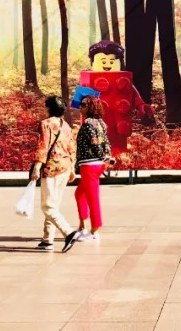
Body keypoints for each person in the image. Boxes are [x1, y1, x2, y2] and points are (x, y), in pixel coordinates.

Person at [30, 96, 78, 252]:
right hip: (65, 167)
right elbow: (72, 148)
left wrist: (37, 166)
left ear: (49, 108)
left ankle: (68, 232)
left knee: (47, 206)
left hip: (51, 168)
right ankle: (47, 240)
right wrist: (72, 168)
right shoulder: (66, 125)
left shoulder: (46, 124)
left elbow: (43, 146)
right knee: (54, 204)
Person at [72, 95, 114, 242]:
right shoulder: (101, 123)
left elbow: (95, 142)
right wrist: (107, 157)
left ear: (91, 107)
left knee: (92, 198)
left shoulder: (88, 123)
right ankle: (82, 226)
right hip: (95, 164)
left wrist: (103, 156)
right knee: (80, 194)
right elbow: (106, 142)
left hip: (90, 165)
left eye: (84, 105)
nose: (81, 108)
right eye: (81, 104)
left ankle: (94, 231)